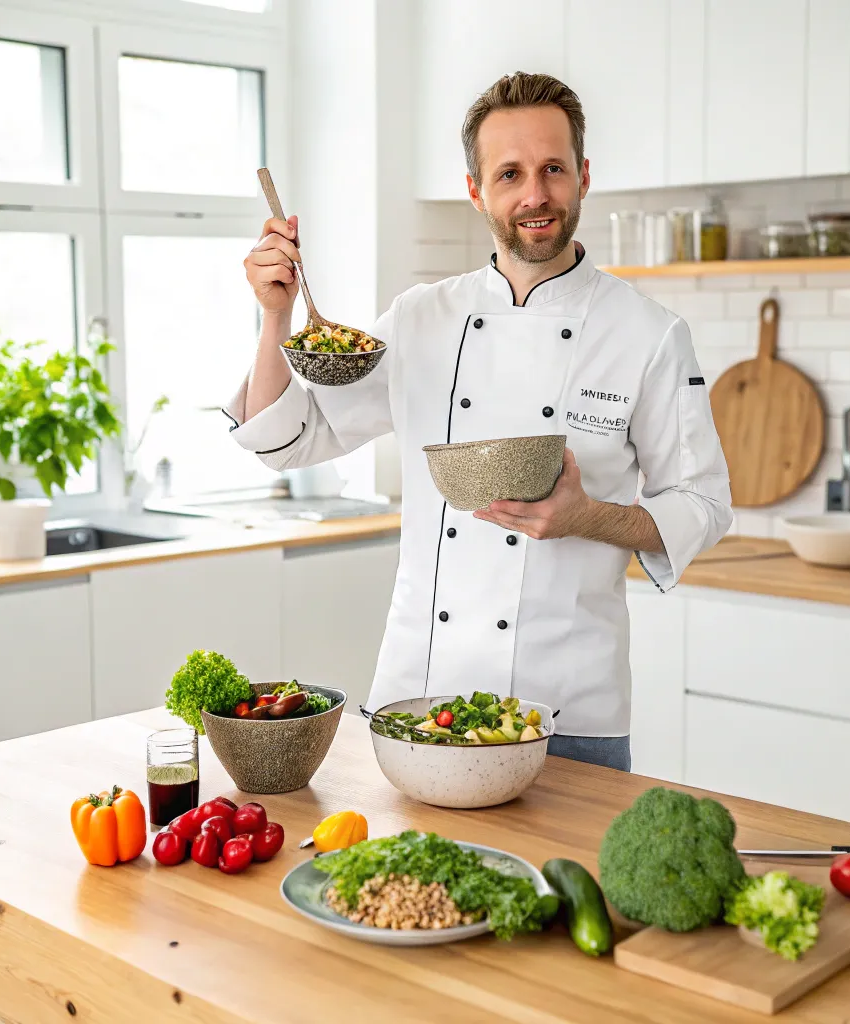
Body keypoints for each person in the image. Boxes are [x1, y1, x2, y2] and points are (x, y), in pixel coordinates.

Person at [224, 72, 732, 772]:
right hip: (418, 699)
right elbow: (286, 437)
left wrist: (586, 517)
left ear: (583, 176)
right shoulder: (420, 318)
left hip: (568, 712)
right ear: (476, 190)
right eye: (510, 174)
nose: (535, 195)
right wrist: (275, 315)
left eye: (553, 169)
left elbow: (703, 504)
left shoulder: (648, 334)